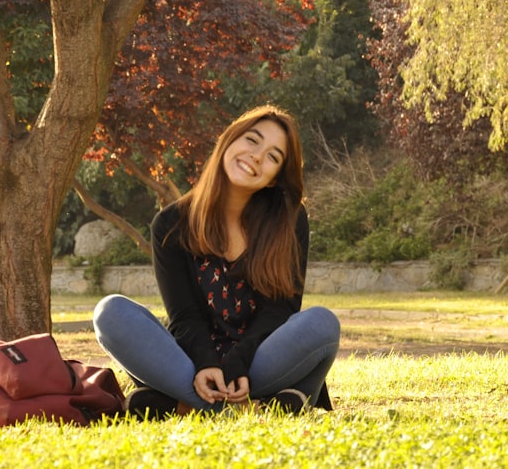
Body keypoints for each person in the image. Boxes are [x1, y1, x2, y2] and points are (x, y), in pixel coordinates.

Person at [93, 105, 340, 419]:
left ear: (273, 179)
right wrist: (206, 364)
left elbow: (281, 312)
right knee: (110, 312)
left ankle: (179, 406)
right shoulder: (170, 224)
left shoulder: (289, 220)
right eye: (252, 140)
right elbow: (184, 317)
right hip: (191, 363)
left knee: (322, 323)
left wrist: (239, 363)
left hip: (258, 361)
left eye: (273, 157)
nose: (256, 156)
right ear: (229, 140)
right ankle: (261, 407)